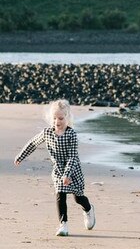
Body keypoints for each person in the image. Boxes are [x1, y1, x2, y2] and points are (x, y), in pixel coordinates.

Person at [14, 99, 96, 237]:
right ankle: (63, 224)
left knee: (78, 198)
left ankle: (88, 209)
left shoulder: (71, 134)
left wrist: (67, 174)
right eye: (54, 118)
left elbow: (72, 156)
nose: (57, 121)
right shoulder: (47, 132)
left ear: (67, 118)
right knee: (60, 194)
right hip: (58, 170)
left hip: (73, 170)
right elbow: (33, 143)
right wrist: (21, 156)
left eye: (61, 118)